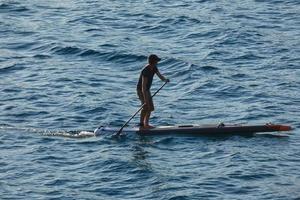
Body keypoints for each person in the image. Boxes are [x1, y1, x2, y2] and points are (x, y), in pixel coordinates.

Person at [136, 54, 169, 129]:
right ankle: (142, 124)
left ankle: (145, 124)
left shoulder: (154, 68)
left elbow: (160, 76)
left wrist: (165, 80)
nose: (158, 62)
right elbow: (143, 87)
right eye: (157, 61)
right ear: (153, 62)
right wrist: (145, 100)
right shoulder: (146, 71)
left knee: (151, 108)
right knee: (146, 106)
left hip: (147, 90)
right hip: (141, 90)